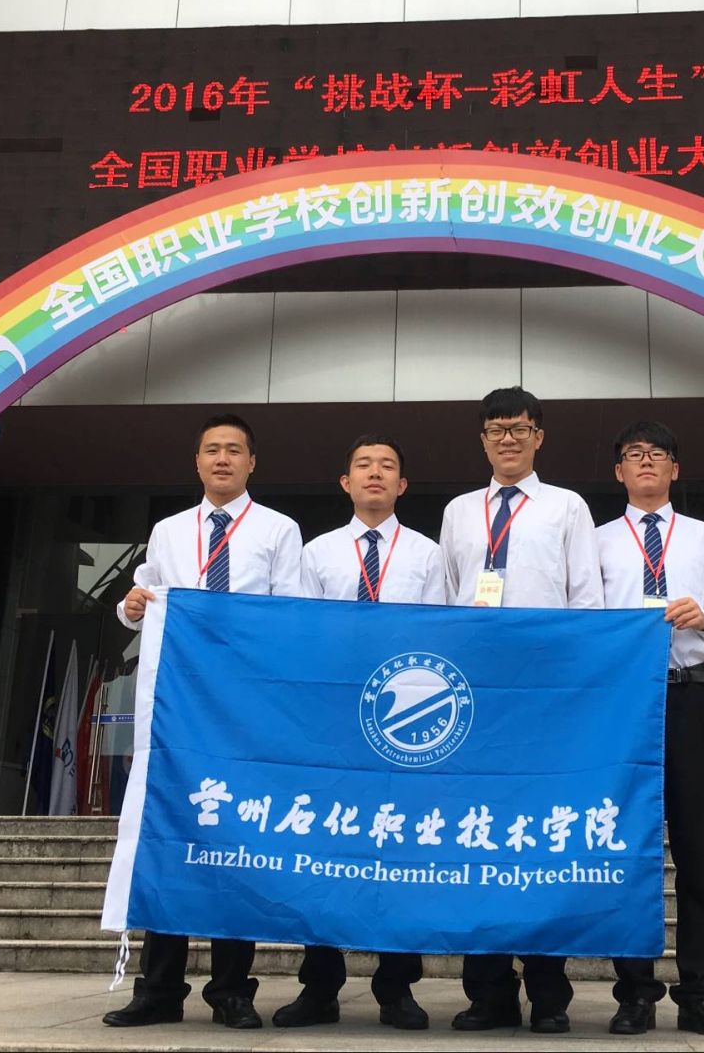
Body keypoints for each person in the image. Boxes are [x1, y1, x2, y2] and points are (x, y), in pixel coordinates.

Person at [102, 413, 303, 1031]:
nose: (222, 459)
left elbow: (290, 614)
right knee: (170, 833)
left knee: (237, 840)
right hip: (178, 708)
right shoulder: (167, 530)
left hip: (243, 709)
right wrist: (132, 605)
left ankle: (231, 990)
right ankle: (159, 989)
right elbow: (139, 601)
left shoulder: (278, 529)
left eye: (234, 450)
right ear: (197, 462)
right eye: (212, 449)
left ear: (251, 463)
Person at [437, 386, 604, 1034]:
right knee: (475, 834)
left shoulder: (566, 507)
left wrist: (578, 686)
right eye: (496, 429)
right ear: (482, 440)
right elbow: (447, 600)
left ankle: (548, 992)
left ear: (539, 437)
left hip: (543, 694)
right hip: (474, 696)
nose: (508, 438)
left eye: (519, 428)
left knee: (537, 839)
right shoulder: (458, 511)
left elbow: (585, 600)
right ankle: (487, 993)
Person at [274, 434, 445, 1032]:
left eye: (388, 466)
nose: (376, 473)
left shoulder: (428, 553)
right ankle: (319, 985)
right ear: (345, 483)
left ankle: (397, 987)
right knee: (324, 845)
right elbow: (303, 633)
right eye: (363, 465)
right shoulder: (317, 552)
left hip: (402, 721)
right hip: (332, 718)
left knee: (399, 848)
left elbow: (439, 635)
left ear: (402, 485)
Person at [596, 420, 704, 1039]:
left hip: (689, 694)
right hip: (624, 700)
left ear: (674, 469)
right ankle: (634, 992)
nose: (646, 462)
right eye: (634, 455)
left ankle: (700, 993)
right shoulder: (597, 541)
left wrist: (703, 616)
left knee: (695, 847)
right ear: (619, 472)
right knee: (628, 844)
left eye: (658, 454)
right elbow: (583, 615)